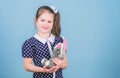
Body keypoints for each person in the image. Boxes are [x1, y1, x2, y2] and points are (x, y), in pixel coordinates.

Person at [22, 5, 68, 78]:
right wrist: (43, 70)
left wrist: (60, 64)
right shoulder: (30, 43)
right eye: (42, 20)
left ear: (53, 23)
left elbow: (65, 63)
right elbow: (27, 66)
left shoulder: (59, 40)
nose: (45, 24)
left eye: (49, 21)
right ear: (36, 21)